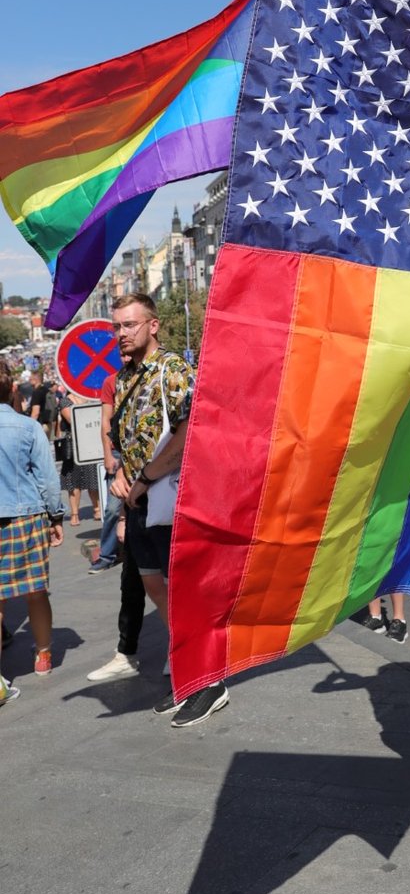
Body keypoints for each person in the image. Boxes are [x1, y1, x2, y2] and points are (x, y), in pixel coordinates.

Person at [87, 293, 225, 728]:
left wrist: (146, 475)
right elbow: (121, 437)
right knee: (153, 585)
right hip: (140, 501)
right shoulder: (124, 378)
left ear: (152, 326)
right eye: (116, 327)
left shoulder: (173, 370)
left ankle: (210, 682)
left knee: (184, 590)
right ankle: (189, 673)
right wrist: (120, 479)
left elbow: (191, 428)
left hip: (173, 498)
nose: (121, 334)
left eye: (129, 325)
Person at [0, 361, 65, 694]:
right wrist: (56, 517)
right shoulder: (27, 428)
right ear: (13, 390)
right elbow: (47, 479)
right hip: (25, 518)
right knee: (36, 591)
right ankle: (43, 655)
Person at [88, 369, 123, 573]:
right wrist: (107, 453)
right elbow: (105, 420)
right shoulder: (112, 382)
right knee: (112, 508)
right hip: (117, 453)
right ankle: (107, 554)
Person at [58, 393, 101, 527]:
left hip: (90, 442)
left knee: (92, 477)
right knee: (73, 481)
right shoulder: (65, 401)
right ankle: (74, 514)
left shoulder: (93, 397)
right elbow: (73, 420)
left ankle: (97, 509)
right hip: (73, 445)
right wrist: (84, 408)